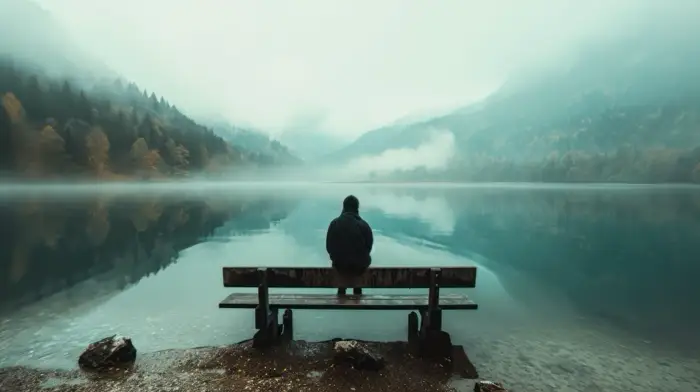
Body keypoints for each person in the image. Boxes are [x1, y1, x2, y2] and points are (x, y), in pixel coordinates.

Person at [325, 195, 374, 296]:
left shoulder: (335, 224)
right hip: (359, 269)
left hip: (340, 267)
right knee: (360, 262)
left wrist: (336, 258)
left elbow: (329, 246)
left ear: (344, 207)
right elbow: (369, 246)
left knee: (341, 264)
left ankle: (341, 290)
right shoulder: (364, 225)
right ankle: (357, 291)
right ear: (357, 208)